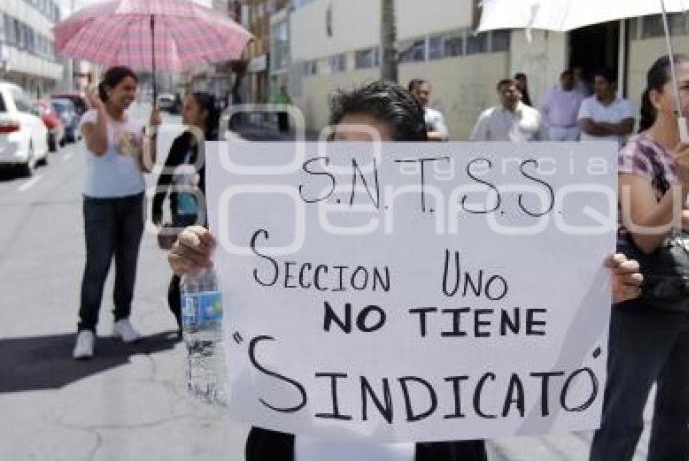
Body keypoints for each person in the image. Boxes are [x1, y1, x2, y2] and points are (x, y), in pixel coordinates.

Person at [168, 80, 643, 461]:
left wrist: (595, 297)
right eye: (341, 149)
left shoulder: (469, 241)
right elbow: (211, 337)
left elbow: (527, 331)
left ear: (413, 159)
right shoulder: (282, 231)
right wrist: (196, 272)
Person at [589, 53, 689, 461]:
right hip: (648, 303)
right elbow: (644, 236)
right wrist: (681, 184)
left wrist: (678, 216)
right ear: (657, 97)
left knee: (679, 414)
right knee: (621, 417)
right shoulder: (634, 154)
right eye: (686, 86)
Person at [72, 66, 161, 360]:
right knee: (97, 267)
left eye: (134, 89)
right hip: (100, 205)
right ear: (108, 89)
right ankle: (86, 329)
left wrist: (154, 132)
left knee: (127, 265)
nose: (131, 94)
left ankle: (122, 319)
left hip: (132, 203)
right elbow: (98, 148)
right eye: (126, 88)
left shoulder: (134, 126)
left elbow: (146, 165)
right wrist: (97, 109)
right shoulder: (89, 119)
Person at [152, 91, 220, 335]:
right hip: (182, 218)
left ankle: (203, 331)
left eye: (189, 107)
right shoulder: (181, 141)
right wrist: (157, 206)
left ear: (204, 113)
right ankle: (191, 328)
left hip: (207, 222)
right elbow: (166, 175)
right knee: (181, 285)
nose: (183, 111)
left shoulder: (216, 143)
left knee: (201, 282)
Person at [469, 78, 545, 142]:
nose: (507, 95)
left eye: (511, 91)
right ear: (499, 95)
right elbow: (476, 142)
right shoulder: (488, 116)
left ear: (520, 93)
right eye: (503, 92)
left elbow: (544, 141)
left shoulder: (534, 115)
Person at [577, 67, 636, 147]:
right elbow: (587, 127)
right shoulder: (586, 103)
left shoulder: (626, 104)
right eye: (596, 83)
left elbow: (627, 128)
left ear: (613, 84)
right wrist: (616, 128)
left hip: (616, 153)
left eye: (601, 83)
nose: (596, 87)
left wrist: (599, 124)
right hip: (589, 153)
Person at [539, 70, 584, 141]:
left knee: (571, 151)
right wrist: (548, 126)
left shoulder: (579, 95)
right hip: (555, 129)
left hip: (573, 130)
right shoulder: (552, 93)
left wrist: (578, 128)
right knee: (555, 151)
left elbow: (583, 113)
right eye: (565, 79)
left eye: (570, 79)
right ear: (561, 79)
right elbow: (543, 110)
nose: (567, 81)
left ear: (573, 81)